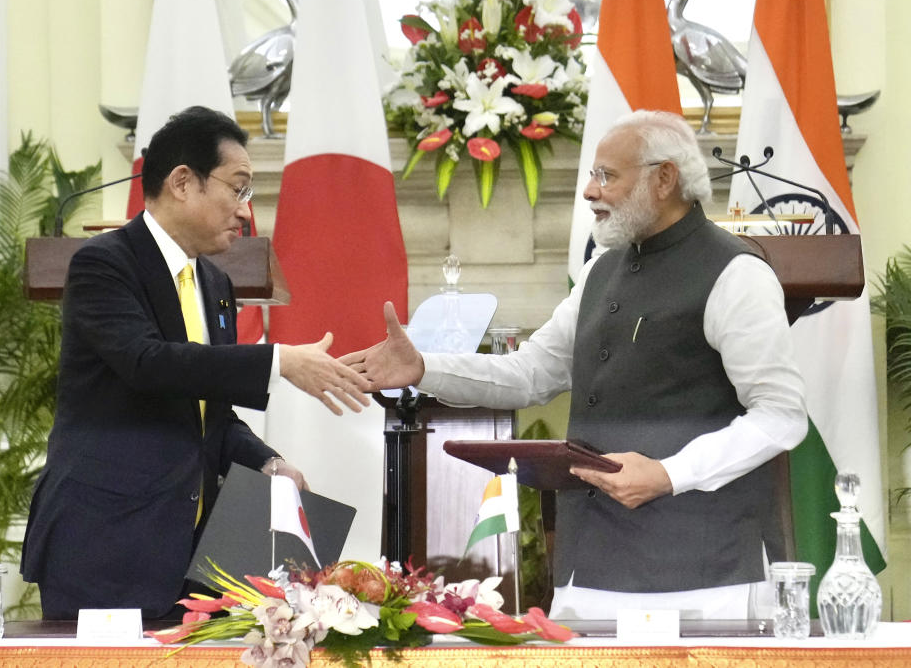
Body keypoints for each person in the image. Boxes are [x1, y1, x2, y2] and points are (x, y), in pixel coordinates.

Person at [342, 110, 807, 620]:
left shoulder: (736, 274)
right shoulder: (598, 273)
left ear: (665, 178)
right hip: (590, 570)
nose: (589, 191)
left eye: (607, 175)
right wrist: (423, 367)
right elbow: (531, 372)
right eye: (592, 174)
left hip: (705, 574)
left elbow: (780, 415)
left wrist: (670, 474)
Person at [21, 106, 370, 619]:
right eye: (238, 187)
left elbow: (209, 413)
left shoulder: (214, 285)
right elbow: (147, 363)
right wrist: (278, 360)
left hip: (194, 558)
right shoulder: (104, 264)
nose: (244, 211)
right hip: (105, 546)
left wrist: (269, 462)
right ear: (183, 182)